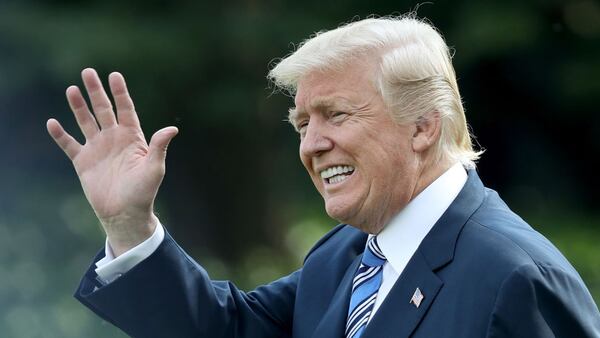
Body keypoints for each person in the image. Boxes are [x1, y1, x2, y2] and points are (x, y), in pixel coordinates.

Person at [47, 14, 600, 338]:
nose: (311, 145)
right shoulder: (346, 255)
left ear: (423, 128)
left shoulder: (517, 279)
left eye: (336, 115)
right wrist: (128, 224)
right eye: (301, 123)